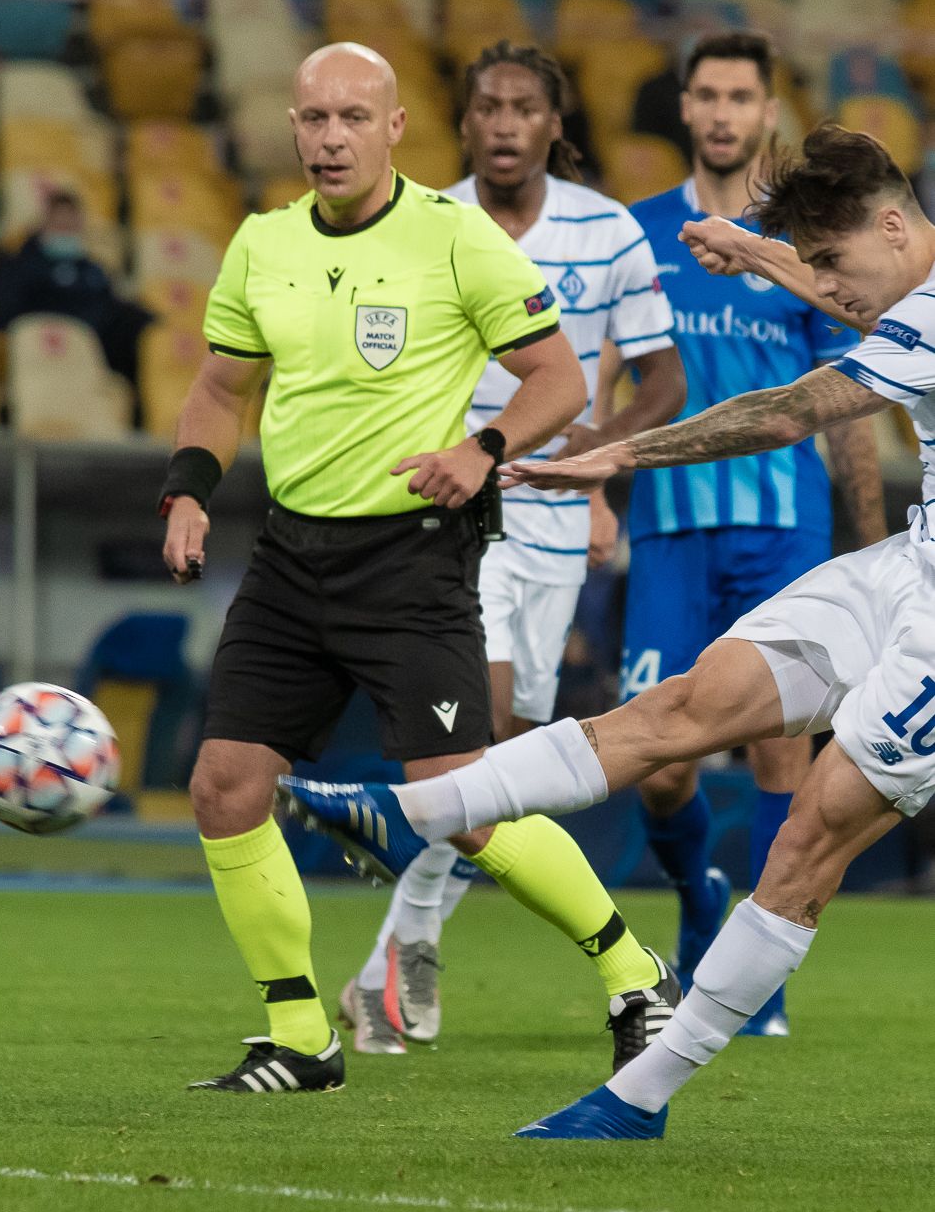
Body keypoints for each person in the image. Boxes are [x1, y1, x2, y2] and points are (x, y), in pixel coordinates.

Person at [278, 122, 932, 1138]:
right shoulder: (908, 283)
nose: (834, 289)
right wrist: (760, 250)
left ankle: (639, 1099)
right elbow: (865, 297)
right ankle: (407, 815)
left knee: (810, 837)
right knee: (687, 704)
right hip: (908, 564)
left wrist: (616, 457)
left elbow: (788, 411)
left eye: (835, 263)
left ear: (895, 225)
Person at [160, 41, 677, 1096]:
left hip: (412, 561)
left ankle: (635, 976)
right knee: (224, 787)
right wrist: (184, 490)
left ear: (395, 129)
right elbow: (221, 388)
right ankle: (301, 1038)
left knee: (463, 807)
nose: (331, 138)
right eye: (314, 119)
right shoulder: (263, 245)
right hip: (291, 559)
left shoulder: (457, 242)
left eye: (354, 117)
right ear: (293, 130)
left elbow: (559, 376)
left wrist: (479, 451)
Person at [340, 40, 686, 1057]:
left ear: (552, 122)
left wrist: (602, 457)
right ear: (467, 120)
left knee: (500, 767)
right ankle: (407, 961)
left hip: (554, 525)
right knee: (479, 735)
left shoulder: (608, 230)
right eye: (485, 104)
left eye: (522, 106)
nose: (501, 122)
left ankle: (387, 967)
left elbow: (663, 378)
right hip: (450, 512)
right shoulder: (420, 222)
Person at [596, 32, 885, 1034]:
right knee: (659, 766)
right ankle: (694, 899)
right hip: (672, 531)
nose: (723, 113)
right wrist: (596, 487)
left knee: (780, 757)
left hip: (782, 528)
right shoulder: (637, 235)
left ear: (766, 113)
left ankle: (755, 985)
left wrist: (871, 546)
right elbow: (607, 378)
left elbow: (846, 404)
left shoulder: (805, 246)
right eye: (708, 95)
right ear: (685, 107)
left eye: (741, 97)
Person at [0, 188, 153, 386]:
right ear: (44, 225)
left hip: (97, 353)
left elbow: (113, 308)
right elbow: (4, 316)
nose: (65, 232)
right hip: (44, 349)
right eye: (59, 225)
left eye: (70, 226)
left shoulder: (94, 270)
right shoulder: (19, 266)